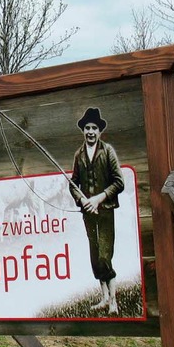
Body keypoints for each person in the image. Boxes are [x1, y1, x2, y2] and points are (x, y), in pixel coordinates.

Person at [69, 107, 125, 314]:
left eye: (94, 128)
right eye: (87, 128)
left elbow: (119, 182)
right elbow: (73, 184)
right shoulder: (79, 154)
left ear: (99, 131)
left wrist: (99, 198)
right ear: (83, 131)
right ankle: (104, 298)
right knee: (94, 256)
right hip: (88, 214)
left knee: (104, 255)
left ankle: (114, 301)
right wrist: (82, 200)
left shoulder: (107, 151)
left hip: (106, 210)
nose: (90, 132)